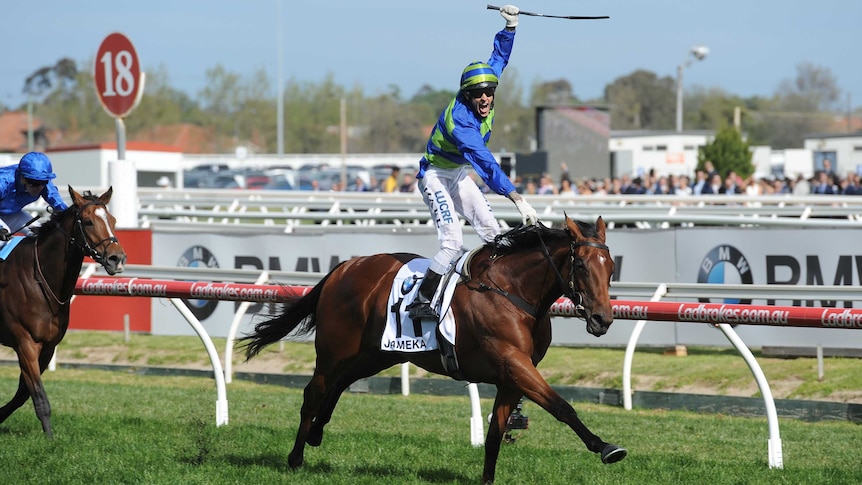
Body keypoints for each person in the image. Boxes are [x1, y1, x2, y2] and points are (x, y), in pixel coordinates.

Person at [406, 4, 538, 322]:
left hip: (457, 173)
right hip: (435, 176)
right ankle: (420, 302)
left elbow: (499, 59)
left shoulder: (484, 91)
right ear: (467, 95)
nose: (485, 99)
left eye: (489, 92)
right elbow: (487, 165)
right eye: (478, 94)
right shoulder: (461, 123)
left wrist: (511, 27)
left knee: (495, 235)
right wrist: (517, 199)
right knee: (452, 243)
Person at [0, 151, 67, 241]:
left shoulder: (43, 184)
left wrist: (71, 214)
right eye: (34, 183)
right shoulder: (3, 182)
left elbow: (59, 204)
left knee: (38, 232)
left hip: (10, 214)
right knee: (3, 237)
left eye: (43, 182)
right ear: (22, 178)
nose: (39, 187)